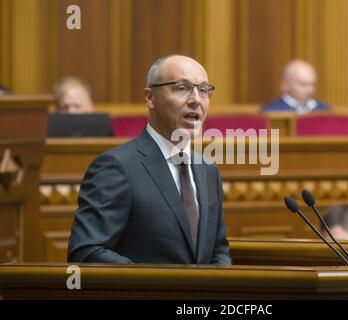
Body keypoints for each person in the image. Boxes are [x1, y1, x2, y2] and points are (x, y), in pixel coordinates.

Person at [68, 55, 231, 264]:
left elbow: (218, 251)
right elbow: (86, 251)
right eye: (182, 88)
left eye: (203, 90)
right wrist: (152, 283)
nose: (196, 99)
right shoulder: (116, 167)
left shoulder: (208, 170)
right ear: (150, 97)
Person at [262, 59, 331, 114]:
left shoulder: (325, 111)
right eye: (303, 84)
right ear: (284, 85)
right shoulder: (270, 112)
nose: (310, 90)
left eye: (313, 84)